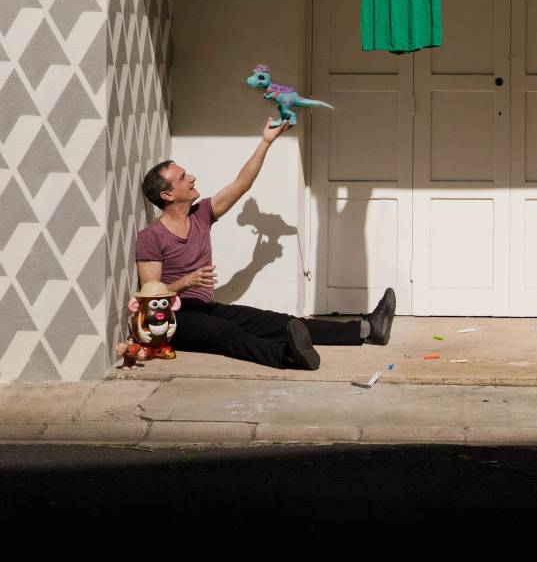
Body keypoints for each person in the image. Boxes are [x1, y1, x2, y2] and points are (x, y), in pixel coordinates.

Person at [135, 116, 395, 371]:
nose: (192, 177)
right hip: (173, 321)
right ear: (167, 195)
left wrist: (266, 142)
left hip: (205, 309)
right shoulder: (151, 237)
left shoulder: (201, 214)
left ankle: (367, 329)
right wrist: (185, 282)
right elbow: (150, 301)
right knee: (227, 332)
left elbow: (242, 184)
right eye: (182, 178)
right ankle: (286, 356)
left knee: (282, 323)